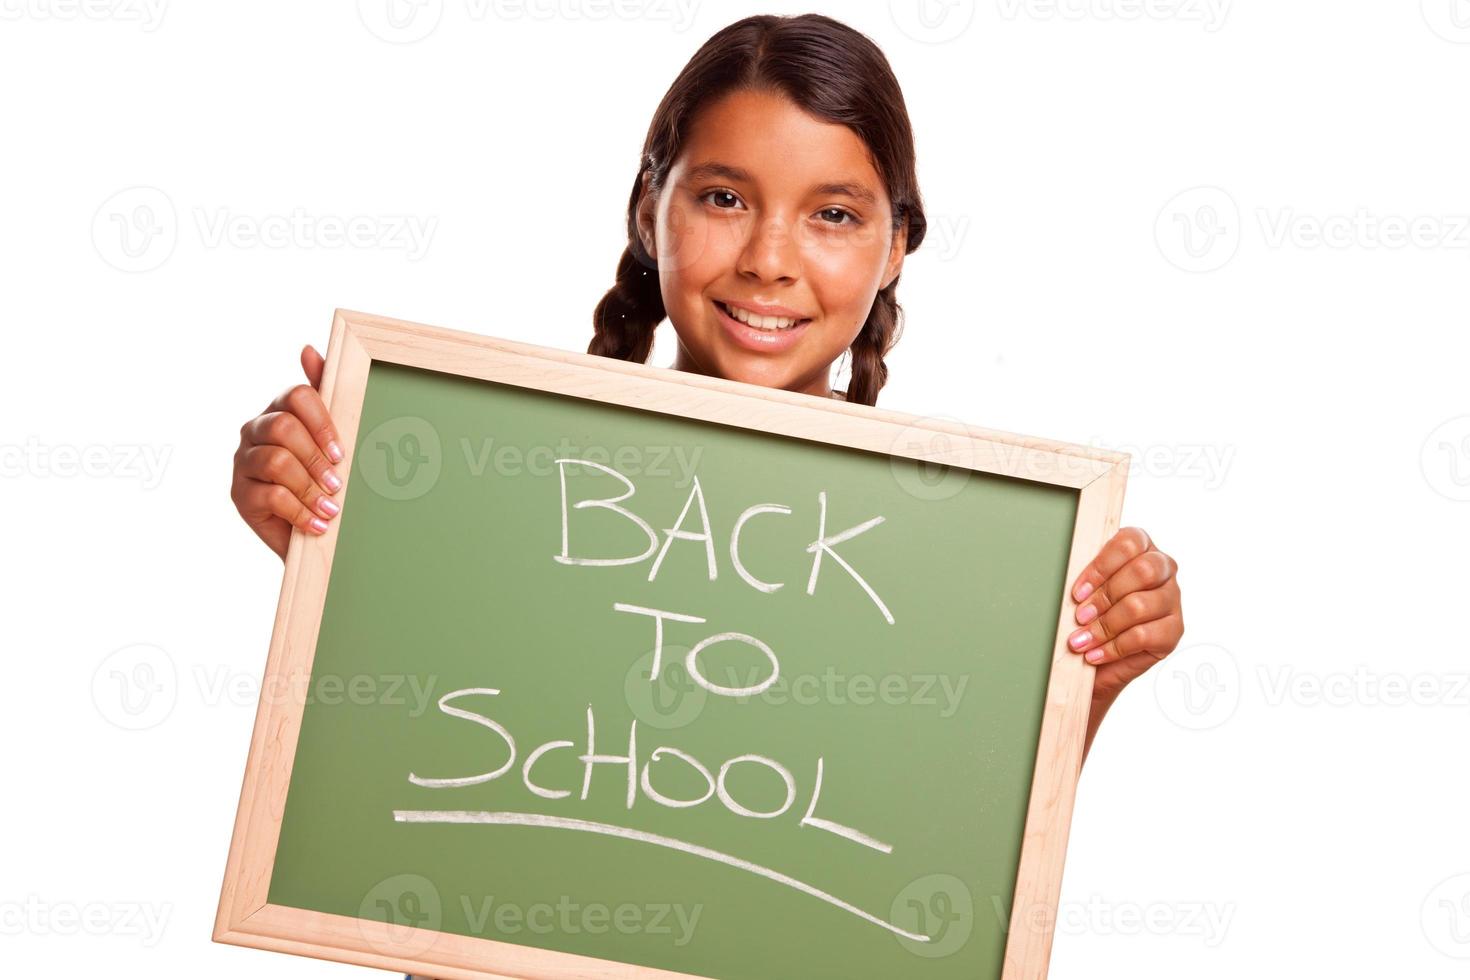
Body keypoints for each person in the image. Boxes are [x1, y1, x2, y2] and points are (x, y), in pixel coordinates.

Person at [229, 13, 1184, 974]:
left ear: (897, 246)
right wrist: (323, 543)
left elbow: (947, 870)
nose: (770, 258)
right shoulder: (490, 483)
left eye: (834, 214)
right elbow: (413, 790)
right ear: (651, 208)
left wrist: (1076, 686)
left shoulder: (964, 553)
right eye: (725, 197)